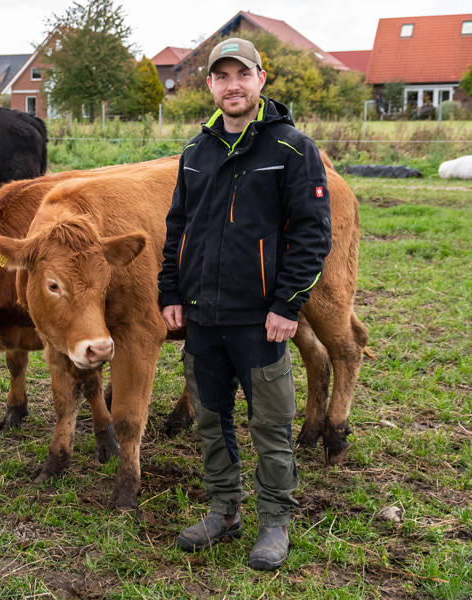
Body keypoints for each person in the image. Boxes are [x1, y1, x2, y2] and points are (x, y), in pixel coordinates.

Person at [158, 38, 331, 570]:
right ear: (209, 85)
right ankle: (224, 510)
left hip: (261, 319)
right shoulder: (195, 152)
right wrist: (170, 292)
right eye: (221, 76)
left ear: (261, 79)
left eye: (242, 74)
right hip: (202, 315)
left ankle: (275, 521)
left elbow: (311, 234)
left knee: (270, 424)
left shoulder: (291, 149)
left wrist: (288, 304)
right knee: (210, 419)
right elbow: (177, 228)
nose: (232, 85)